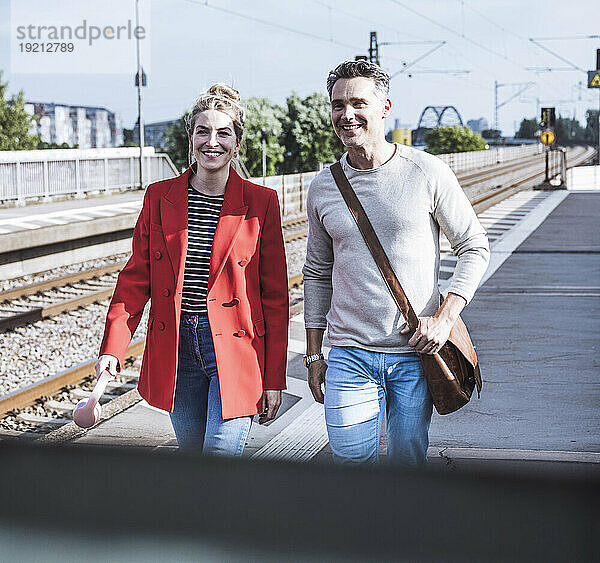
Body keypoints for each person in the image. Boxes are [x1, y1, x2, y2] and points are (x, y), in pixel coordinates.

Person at [302, 61, 490, 466]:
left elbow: (474, 246)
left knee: (407, 464)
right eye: (337, 105)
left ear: (385, 107)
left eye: (358, 103)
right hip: (349, 354)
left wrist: (444, 318)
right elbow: (317, 273)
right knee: (351, 464)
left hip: (413, 353)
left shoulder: (426, 172)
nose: (346, 114)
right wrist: (314, 354)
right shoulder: (322, 187)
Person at [96, 84, 289, 456]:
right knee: (192, 457)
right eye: (203, 131)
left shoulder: (261, 203)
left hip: (236, 347)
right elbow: (135, 279)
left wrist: (274, 376)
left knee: (220, 453)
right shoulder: (159, 196)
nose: (211, 141)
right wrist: (113, 348)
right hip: (177, 346)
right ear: (190, 138)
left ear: (237, 143)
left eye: (223, 132)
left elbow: (276, 297)